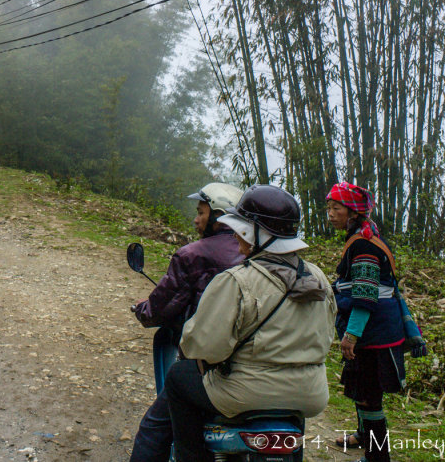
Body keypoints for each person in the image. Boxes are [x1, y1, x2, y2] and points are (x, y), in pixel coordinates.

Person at [165, 185, 336, 461]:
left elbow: (202, 346)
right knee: (291, 403)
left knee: (177, 378)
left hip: (245, 394)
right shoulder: (318, 278)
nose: (235, 234)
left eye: (241, 228)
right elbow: (327, 338)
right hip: (309, 395)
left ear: (258, 232)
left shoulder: (236, 280)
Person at [129, 182, 244, 462]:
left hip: (207, 362)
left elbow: (164, 304)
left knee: (154, 427)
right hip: (254, 362)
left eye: (201, 212)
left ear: (217, 216)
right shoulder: (254, 254)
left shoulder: (192, 254)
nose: (195, 219)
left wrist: (143, 311)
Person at [327, 182, 409, 462]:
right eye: (329, 207)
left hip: (373, 335)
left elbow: (365, 297)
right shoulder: (362, 236)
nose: (330, 213)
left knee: (369, 397)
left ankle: (377, 456)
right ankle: (363, 436)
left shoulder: (363, 244)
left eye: (336, 208)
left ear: (352, 213)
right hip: (375, 331)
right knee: (362, 389)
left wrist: (351, 336)